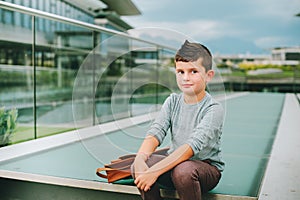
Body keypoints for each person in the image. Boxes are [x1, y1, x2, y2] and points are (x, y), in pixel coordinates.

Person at [131, 40, 225, 200]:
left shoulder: (213, 109)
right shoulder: (172, 101)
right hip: (174, 165)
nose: (185, 78)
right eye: (180, 72)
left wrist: (154, 171)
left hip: (204, 170)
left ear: (208, 76)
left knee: (183, 170)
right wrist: (140, 158)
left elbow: (191, 146)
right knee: (138, 166)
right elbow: (156, 132)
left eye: (193, 71)